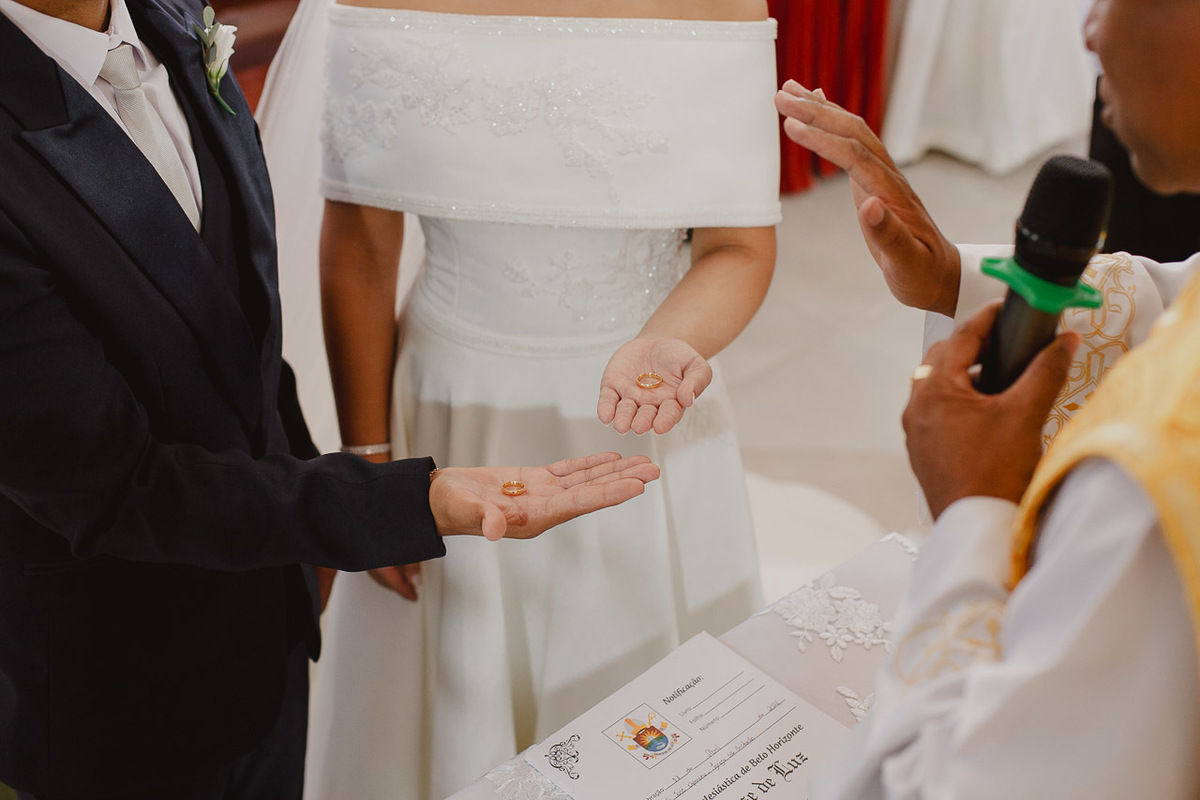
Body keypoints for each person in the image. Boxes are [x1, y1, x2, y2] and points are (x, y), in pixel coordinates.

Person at [0, 0, 662, 795]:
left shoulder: (171, 23)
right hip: (112, 684)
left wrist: (307, 515)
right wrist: (402, 502)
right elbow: (115, 484)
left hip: (266, 630)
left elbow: (239, 337)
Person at [257, 0, 780, 795]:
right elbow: (361, 244)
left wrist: (665, 343)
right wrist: (372, 467)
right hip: (452, 407)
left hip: (645, 407)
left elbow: (738, 245)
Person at [774, 0, 1200, 795]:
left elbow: (972, 779)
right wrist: (959, 279)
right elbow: (1181, 303)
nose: (1088, 30)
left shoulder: (1159, 468)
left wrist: (973, 510)